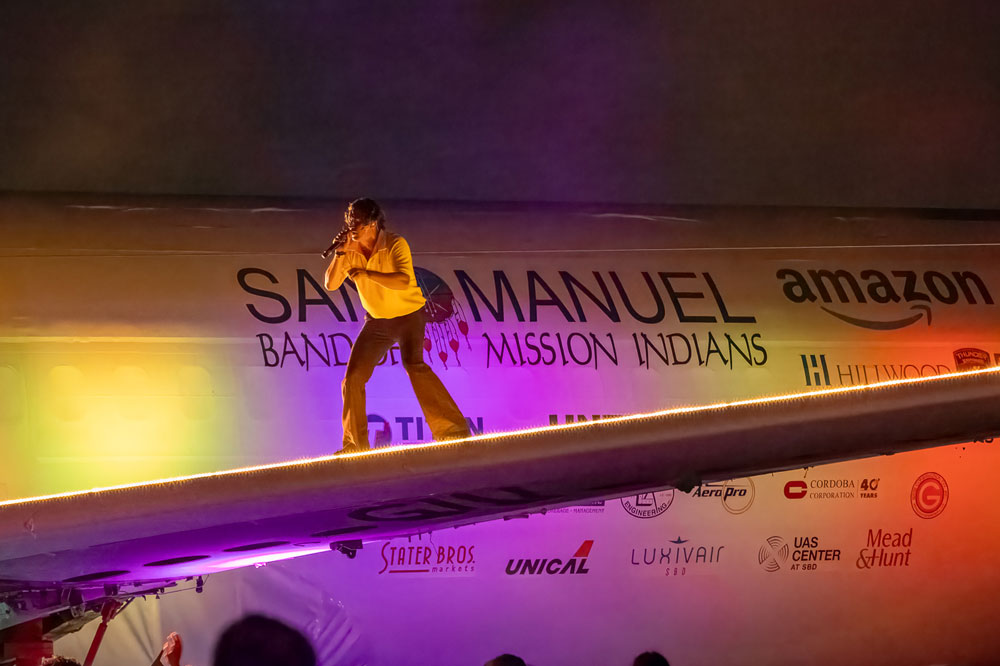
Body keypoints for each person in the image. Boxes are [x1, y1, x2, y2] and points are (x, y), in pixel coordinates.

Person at [325, 198, 470, 453]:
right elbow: (330, 283)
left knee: (414, 365)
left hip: (409, 315)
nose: (353, 228)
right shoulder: (350, 249)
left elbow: (403, 281)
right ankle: (355, 446)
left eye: (358, 223)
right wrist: (340, 253)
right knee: (353, 378)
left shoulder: (394, 243)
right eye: (350, 222)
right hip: (377, 321)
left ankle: (452, 430)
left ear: (373, 223)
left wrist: (368, 274)